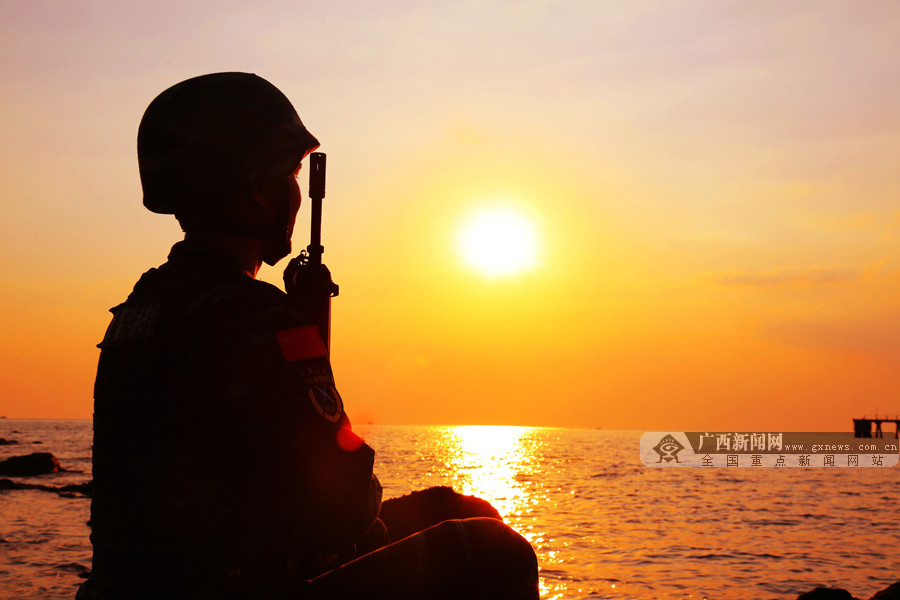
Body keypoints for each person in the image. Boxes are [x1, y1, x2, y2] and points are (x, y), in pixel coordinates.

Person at [78, 72, 539, 600]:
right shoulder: (254, 318)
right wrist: (304, 344)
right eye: (290, 174)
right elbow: (341, 512)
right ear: (255, 193)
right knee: (498, 551)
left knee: (459, 512)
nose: (297, 193)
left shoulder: (144, 307)